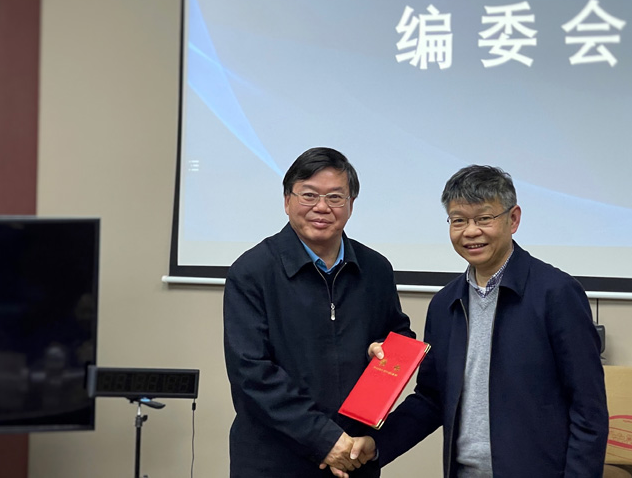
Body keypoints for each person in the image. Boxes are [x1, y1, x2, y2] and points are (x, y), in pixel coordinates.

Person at [361, 164, 609, 477]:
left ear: (513, 219)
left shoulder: (556, 293)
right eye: (459, 220)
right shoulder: (445, 304)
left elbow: (589, 410)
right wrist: (377, 445)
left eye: (484, 218)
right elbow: (431, 399)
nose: (470, 231)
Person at [223, 147, 413, 478]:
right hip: (272, 460)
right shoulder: (252, 271)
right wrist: (325, 440)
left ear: (351, 204)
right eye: (309, 195)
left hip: (353, 455)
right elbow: (251, 374)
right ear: (287, 201)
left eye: (335, 197)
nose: (322, 207)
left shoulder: (375, 269)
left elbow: (400, 339)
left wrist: (384, 351)